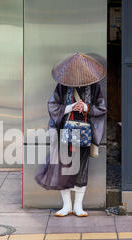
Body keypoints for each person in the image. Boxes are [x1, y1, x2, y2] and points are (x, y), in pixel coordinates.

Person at [35, 53, 107, 217]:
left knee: (81, 169)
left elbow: (101, 108)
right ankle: (66, 206)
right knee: (65, 169)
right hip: (64, 133)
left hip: (84, 134)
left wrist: (86, 108)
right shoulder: (62, 86)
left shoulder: (94, 87)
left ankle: (78, 206)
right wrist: (71, 107)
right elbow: (52, 105)